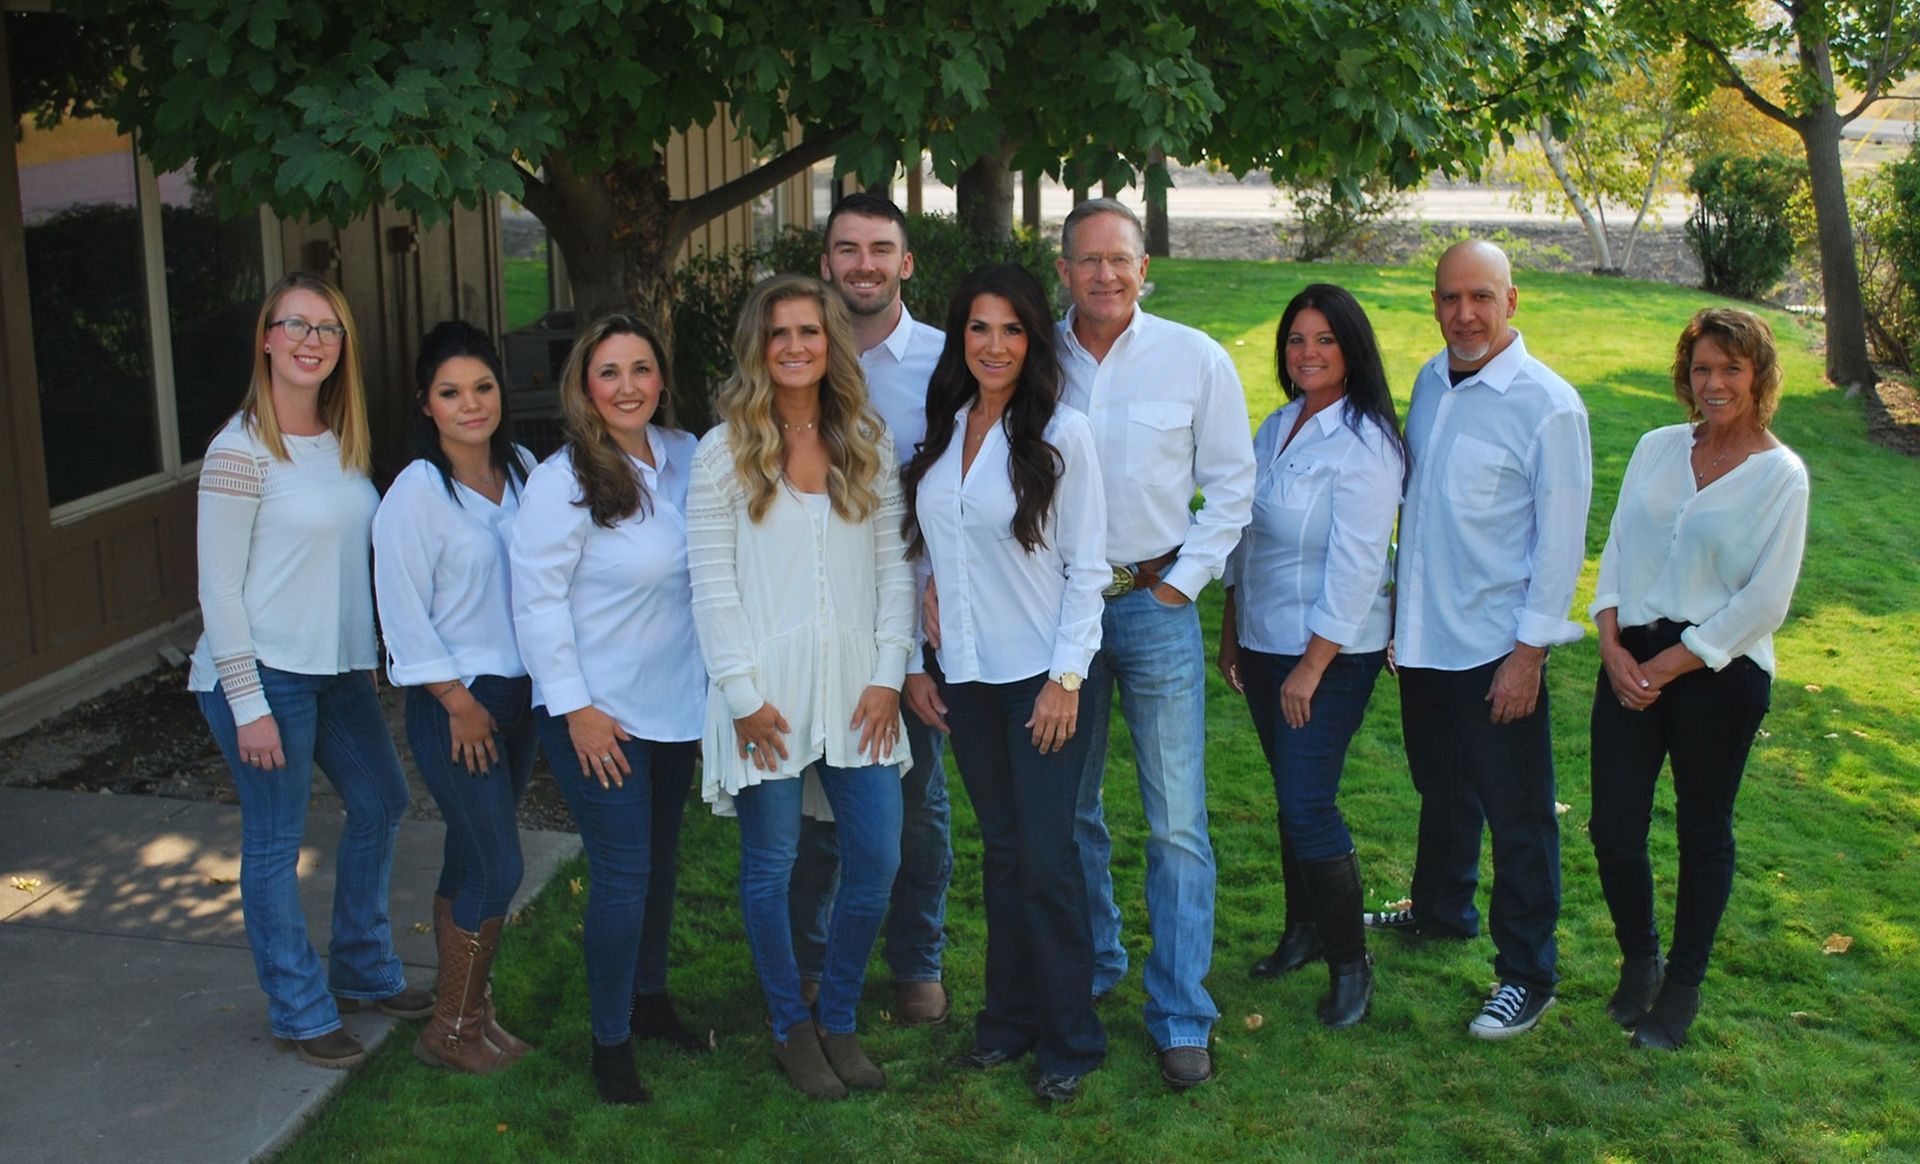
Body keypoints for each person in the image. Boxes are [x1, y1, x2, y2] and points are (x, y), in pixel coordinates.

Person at [187, 272, 427, 1069]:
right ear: (266, 337)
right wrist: (248, 701)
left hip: (332, 672)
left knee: (382, 803)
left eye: (327, 329)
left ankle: (360, 968)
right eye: (296, 325)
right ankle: (298, 1007)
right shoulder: (239, 449)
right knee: (274, 843)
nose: (311, 341)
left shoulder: (339, 438)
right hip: (261, 674)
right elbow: (217, 588)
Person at [687, 274, 914, 1100]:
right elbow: (709, 587)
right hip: (767, 694)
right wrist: (743, 699)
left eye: (810, 333)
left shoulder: (865, 439)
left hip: (861, 686)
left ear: (831, 344)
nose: (794, 347)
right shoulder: (723, 452)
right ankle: (791, 1024)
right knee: (773, 863)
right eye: (779, 333)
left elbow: (896, 569)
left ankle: (840, 1017)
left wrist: (890, 677)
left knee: (877, 855)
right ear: (759, 345)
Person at [1054, 199, 1255, 1089]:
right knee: (1071, 809)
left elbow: (1234, 483)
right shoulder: (1032, 358)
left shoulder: (1194, 359)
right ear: (1064, 270)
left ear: (1146, 271)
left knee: (1176, 820)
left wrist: (1185, 580)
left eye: (1120, 260)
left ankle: (1181, 1011)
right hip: (1058, 612)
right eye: (1087, 260)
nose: (1104, 274)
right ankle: (1097, 963)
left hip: (1153, 602)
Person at [1372, 240, 1593, 1040]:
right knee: (1442, 786)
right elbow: (1422, 512)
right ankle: (1440, 910)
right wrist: (1402, 617)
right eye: (1448, 298)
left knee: (1519, 811)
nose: (1464, 315)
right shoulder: (1432, 380)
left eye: (1481, 298)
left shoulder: (1548, 405)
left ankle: (1528, 972)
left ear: (1513, 301)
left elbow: (1561, 546)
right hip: (1428, 639)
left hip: (1498, 649)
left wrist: (1527, 655)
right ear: (1434, 303)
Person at [903, 264, 1110, 1102]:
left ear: (1035, 340)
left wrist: (1065, 680)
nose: (995, 345)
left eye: (1012, 330)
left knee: (1050, 862)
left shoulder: (1064, 434)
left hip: (1043, 679)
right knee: (1003, 852)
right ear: (962, 337)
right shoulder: (947, 426)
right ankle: (1008, 1019)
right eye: (980, 328)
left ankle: (1072, 1038)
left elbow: (1088, 568)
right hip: (970, 678)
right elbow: (927, 552)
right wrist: (920, 662)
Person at [1587, 308, 1808, 1051]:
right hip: (1629, 660)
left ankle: (1681, 987)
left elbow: (1765, 601)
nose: (1714, 383)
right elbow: (1616, 549)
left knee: (1701, 829)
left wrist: (1668, 664)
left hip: (1721, 671)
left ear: (1759, 377)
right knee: (1613, 826)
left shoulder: (1781, 476)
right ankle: (1641, 958)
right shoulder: (1656, 448)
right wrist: (1612, 644)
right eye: (1702, 369)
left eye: (1731, 369)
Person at [509, 315, 708, 1106]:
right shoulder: (564, 479)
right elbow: (536, 601)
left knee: (659, 864)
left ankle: (650, 1000)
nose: (628, 386)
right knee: (623, 874)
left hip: (676, 703)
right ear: (584, 388)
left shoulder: (688, 456)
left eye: (641, 369)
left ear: (661, 379)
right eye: (609, 372)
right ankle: (610, 1043)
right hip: (600, 713)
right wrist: (576, 708)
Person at [1218, 284, 1405, 1029]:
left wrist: (1313, 664)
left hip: (1330, 653)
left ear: (1351, 349)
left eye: (1325, 340)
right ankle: (1300, 931)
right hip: (1264, 640)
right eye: (1297, 340)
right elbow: (1245, 533)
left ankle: (1351, 965)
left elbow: (1359, 566)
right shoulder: (1274, 427)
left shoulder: (1367, 444)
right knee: (1289, 794)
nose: (1308, 354)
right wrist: (1232, 627)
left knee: (1306, 802)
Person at [790, 192, 953, 1027]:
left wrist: (917, 650)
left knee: (915, 802)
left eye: (880, 248)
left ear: (905, 261)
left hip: (909, 620)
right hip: (812, 618)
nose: (864, 264)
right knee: (814, 807)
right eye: (847, 249)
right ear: (827, 262)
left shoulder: (945, 363)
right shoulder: (795, 355)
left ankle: (916, 959)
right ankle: (811, 960)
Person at [373, 321, 538, 1074]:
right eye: (450, 392)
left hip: (521, 699)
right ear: (426, 404)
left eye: (482, 387)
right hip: (457, 706)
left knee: (466, 860)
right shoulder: (415, 493)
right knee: (498, 866)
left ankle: (473, 1015)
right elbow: (401, 612)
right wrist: (455, 700)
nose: (470, 404)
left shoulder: (528, 471)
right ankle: (449, 1029)